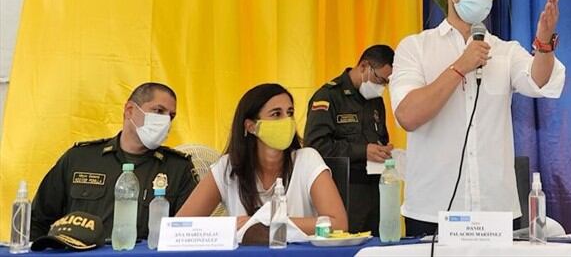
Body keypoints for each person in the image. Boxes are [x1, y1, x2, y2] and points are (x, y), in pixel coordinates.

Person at [390, 0, 565, 236]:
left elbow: (539, 81)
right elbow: (408, 115)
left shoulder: (505, 50)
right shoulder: (415, 48)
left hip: (496, 212)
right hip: (431, 210)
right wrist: (461, 66)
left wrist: (544, 43)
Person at [30, 82, 198, 240]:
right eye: (159, 111)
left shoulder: (178, 169)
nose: (166, 121)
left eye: (171, 116)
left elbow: (188, 234)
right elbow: (38, 221)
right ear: (130, 110)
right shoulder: (80, 159)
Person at [177, 83, 347, 235]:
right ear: (251, 126)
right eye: (276, 114)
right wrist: (230, 226)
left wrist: (266, 223)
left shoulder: (307, 159)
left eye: (290, 113)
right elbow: (180, 226)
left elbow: (338, 224)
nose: (286, 121)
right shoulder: (227, 167)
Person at [304, 45, 395, 234]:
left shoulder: (375, 100)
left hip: (375, 190)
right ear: (364, 66)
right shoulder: (328, 96)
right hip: (343, 191)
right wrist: (363, 150)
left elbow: (380, 137)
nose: (381, 87)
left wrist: (383, 150)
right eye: (380, 80)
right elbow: (315, 147)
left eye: (386, 83)